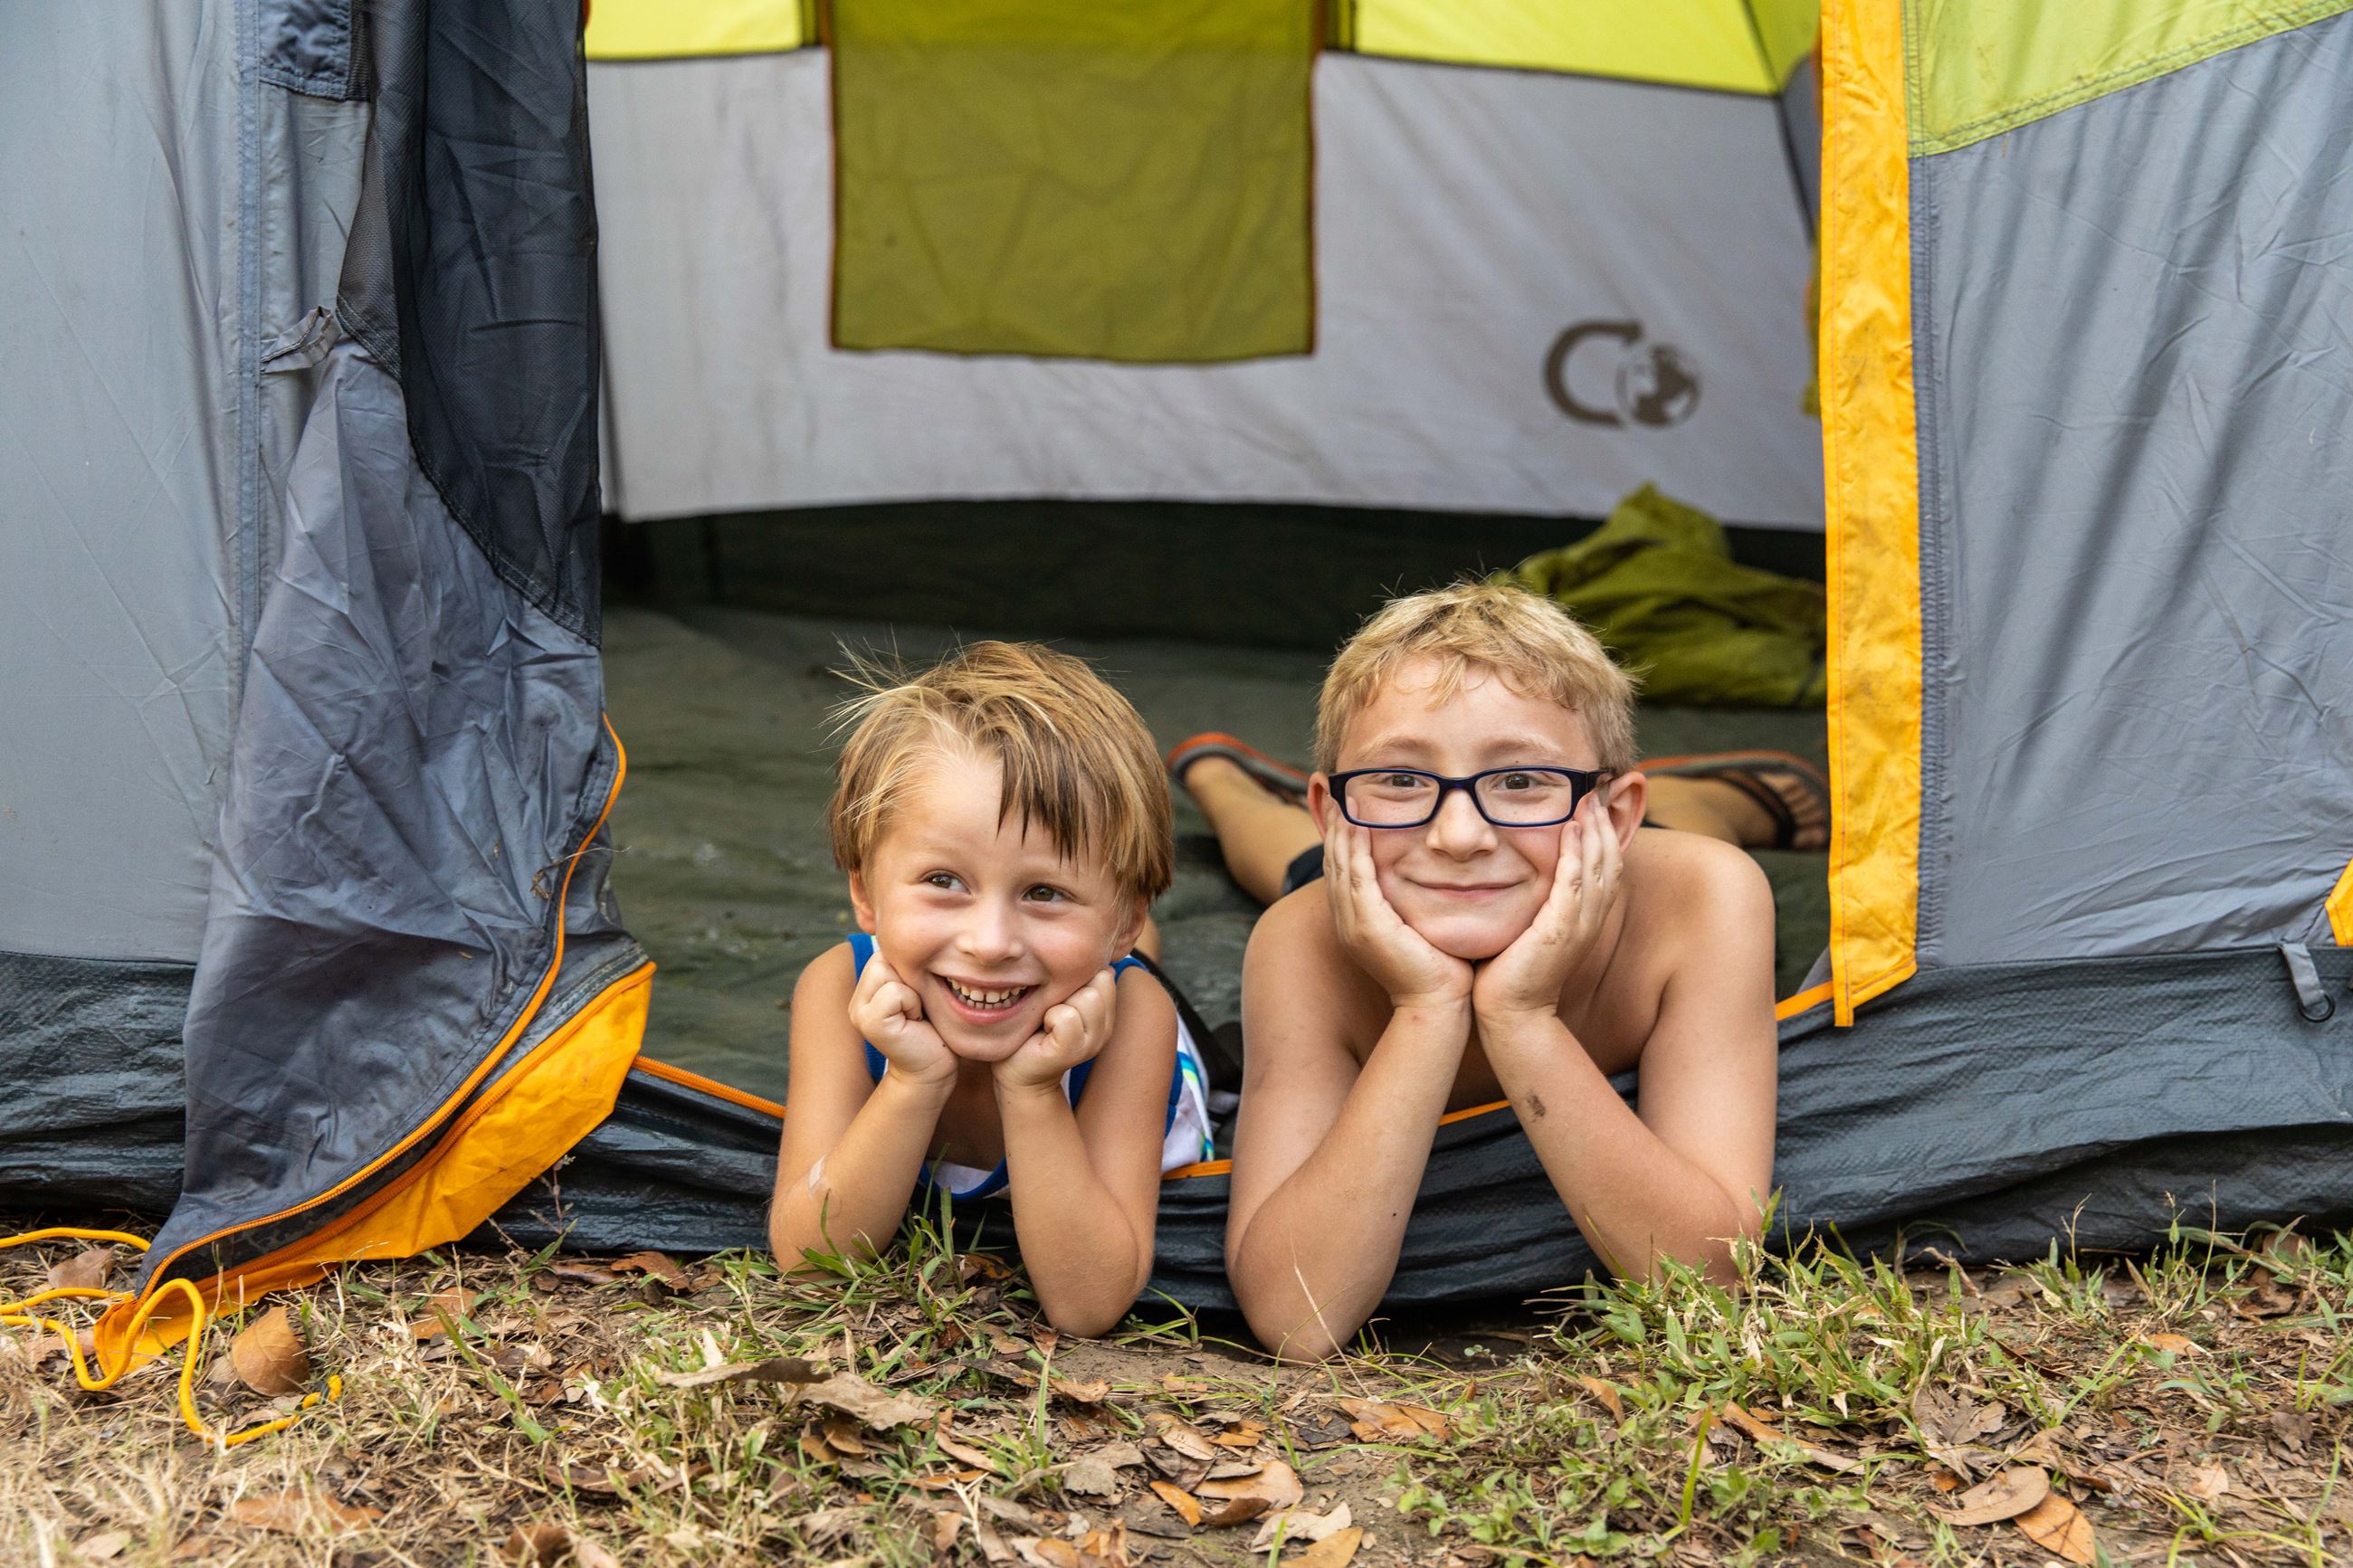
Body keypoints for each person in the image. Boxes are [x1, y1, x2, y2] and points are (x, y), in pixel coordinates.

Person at [1202, 581, 1784, 1359]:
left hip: (1607, 862)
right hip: (1395, 878)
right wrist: (1425, 1005)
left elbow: (1709, 1281)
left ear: (1614, 814)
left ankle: (1719, 796)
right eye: (1400, 777)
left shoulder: (1704, 899)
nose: (1459, 834)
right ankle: (1221, 782)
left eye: (1519, 779)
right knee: (1289, 867)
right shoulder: (1303, 942)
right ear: (1334, 811)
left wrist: (1521, 1015)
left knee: (1697, 831)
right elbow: (1296, 1317)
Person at [769, 641, 1212, 1336]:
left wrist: (1035, 1089)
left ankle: (1216, 783)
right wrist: (912, 1081)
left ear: (1126, 918)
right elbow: (810, 1263)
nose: (989, 940)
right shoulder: (836, 986)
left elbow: (1088, 1302)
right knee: (1062, 952)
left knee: (1123, 970)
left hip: (1104, 999)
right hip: (1070, 962)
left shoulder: (1136, 1018)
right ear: (865, 893)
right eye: (944, 880)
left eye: (1043, 890)